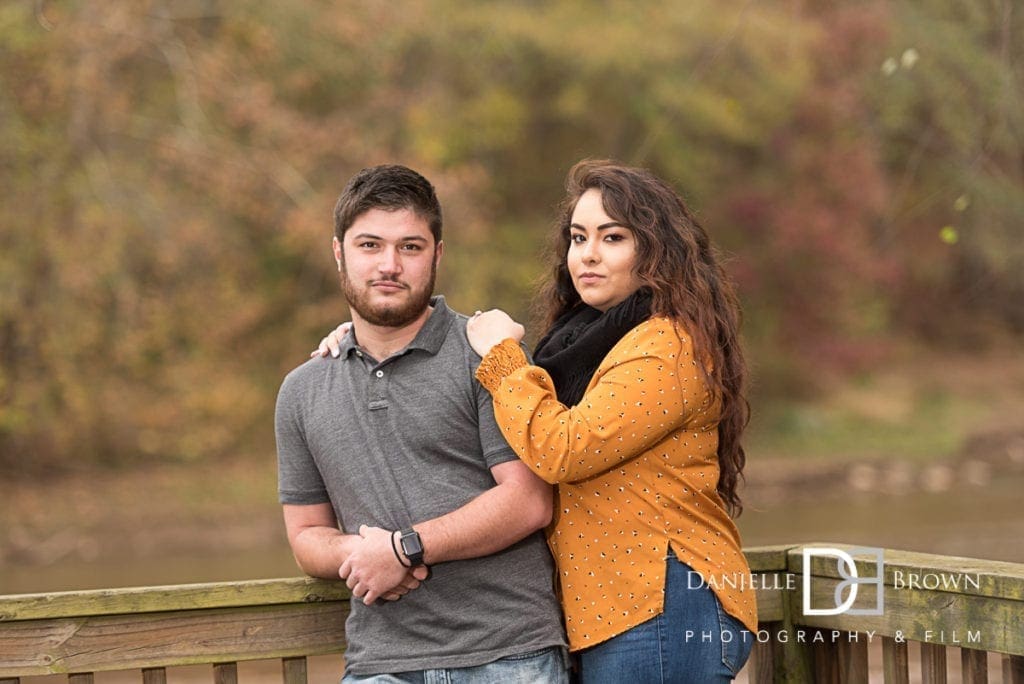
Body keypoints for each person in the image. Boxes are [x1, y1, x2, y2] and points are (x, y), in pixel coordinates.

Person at [316, 160, 758, 683]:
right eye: (578, 237)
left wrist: (502, 354)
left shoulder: (668, 345)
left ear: (656, 252)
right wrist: (365, 338)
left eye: (613, 237)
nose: (588, 255)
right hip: (609, 609)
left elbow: (563, 448)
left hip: (660, 602)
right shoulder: (591, 339)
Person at [276, 164, 568, 682]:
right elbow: (305, 534)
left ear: (437, 254)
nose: (389, 264)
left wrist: (403, 548)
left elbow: (528, 501)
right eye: (370, 245)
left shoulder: (488, 354)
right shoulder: (302, 390)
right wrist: (362, 554)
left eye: (410, 247)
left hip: (508, 656)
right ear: (339, 252)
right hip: (380, 665)